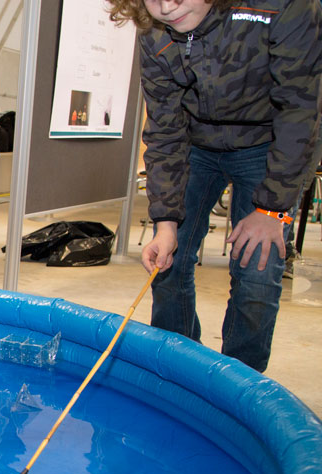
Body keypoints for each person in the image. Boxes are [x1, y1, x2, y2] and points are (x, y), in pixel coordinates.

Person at [108, 0, 322, 372]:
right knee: (167, 260)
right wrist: (165, 223)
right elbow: (164, 128)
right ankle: (179, 369)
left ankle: (238, 385)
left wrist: (272, 209)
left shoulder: (283, 6)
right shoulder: (153, 24)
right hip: (195, 141)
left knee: (257, 266)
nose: (166, 6)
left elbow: (302, 110)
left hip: (268, 142)